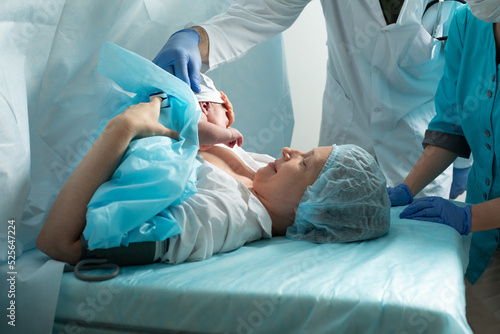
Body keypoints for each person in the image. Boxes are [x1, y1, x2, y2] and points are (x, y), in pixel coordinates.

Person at [152, 0, 469, 202]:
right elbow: (263, 10)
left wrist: (466, 160)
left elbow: (476, 73)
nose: (289, 154)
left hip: (422, 155)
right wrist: (197, 38)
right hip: (345, 139)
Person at [36, 95, 390, 267]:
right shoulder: (262, 174)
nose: (288, 151)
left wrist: (124, 129)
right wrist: (211, 116)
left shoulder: (216, 219)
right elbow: (187, 146)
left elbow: (60, 244)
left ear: (313, 207)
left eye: (304, 162)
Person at [387, 3, 500, 332]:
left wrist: (469, 217)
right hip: (485, 242)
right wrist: (408, 188)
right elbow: (452, 126)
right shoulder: (468, 22)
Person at [195, 73, 243, 150]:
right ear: (205, 107)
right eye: (226, 123)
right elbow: (196, 131)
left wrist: (221, 139)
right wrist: (230, 134)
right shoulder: (196, 113)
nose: (226, 128)